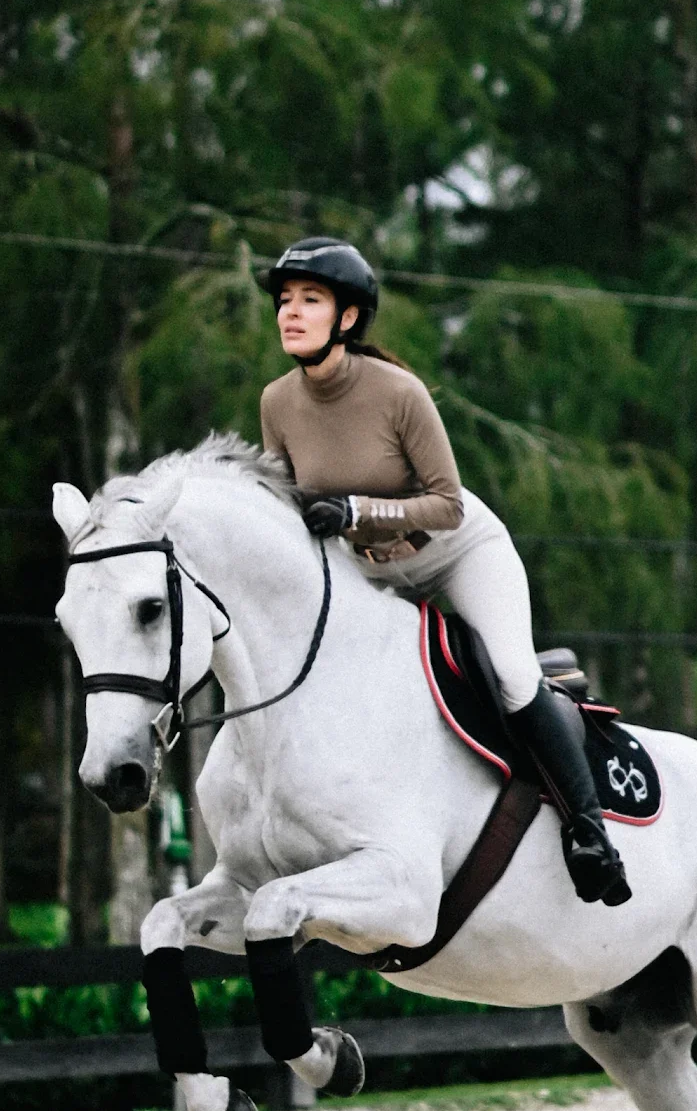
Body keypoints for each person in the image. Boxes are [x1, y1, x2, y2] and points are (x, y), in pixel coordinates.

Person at [258, 236, 631, 906]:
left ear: (347, 318)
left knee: (513, 675)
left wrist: (349, 511)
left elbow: (447, 504)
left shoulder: (397, 392)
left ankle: (589, 831)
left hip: (455, 551)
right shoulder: (276, 403)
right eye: (284, 301)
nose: (289, 313)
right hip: (366, 570)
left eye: (308, 300)